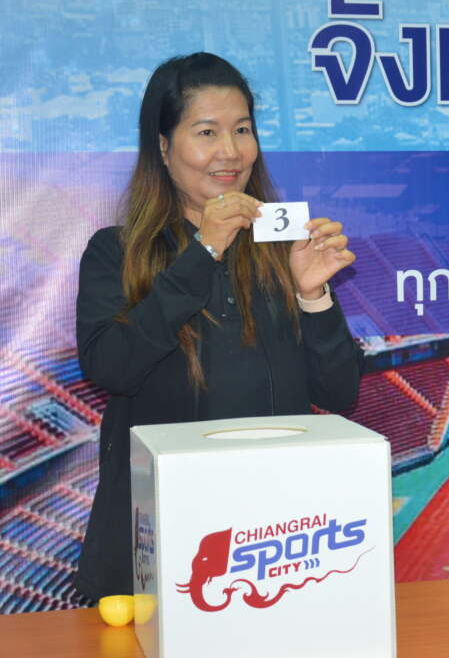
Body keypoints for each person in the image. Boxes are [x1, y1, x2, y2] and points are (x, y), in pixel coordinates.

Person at [74, 53, 365, 623]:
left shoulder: (281, 249)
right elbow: (111, 366)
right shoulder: (116, 251)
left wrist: (312, 295)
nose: (230, 152)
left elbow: (340, 394)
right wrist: (202, 251)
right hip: (162, 548)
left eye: (242, 130)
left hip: (275, 545)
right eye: (206, 132)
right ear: (164, 147)